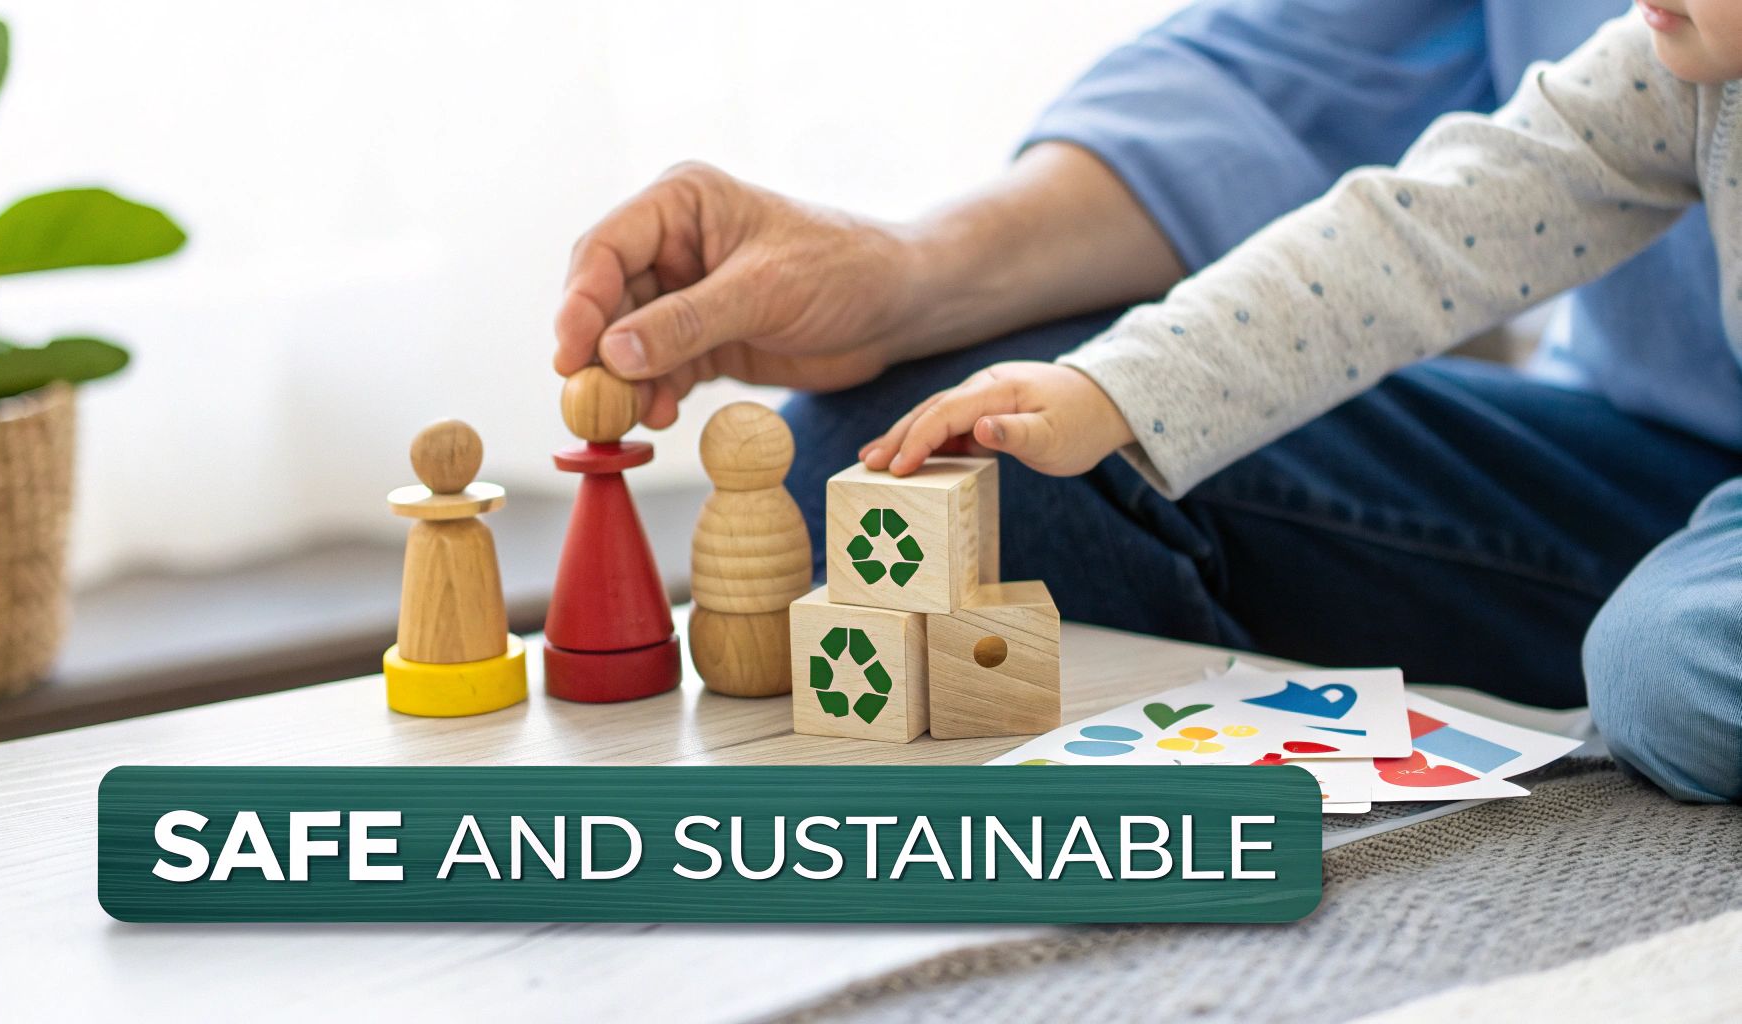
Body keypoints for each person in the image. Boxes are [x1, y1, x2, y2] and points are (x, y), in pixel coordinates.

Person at [554, 0, 1742, 802]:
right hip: (1654, 480)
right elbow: (1405, 235)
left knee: (1661, 666)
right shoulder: (1657, 69)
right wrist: (1105, 387)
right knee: (917, 445)